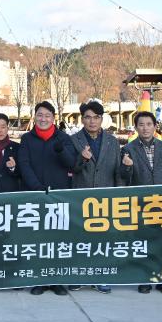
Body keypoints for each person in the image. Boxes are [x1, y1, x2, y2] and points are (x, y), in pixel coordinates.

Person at [18, 101, 76, 297]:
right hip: (35, 195)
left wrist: (61, 150)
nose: (43, 119)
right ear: (35, 117)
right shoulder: (27, 139)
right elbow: (24, 165)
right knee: (37, 239)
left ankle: (57, 279)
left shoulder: (64, 138)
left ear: (53, 118)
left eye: (47, 115)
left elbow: (72, 165)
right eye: (40, 115)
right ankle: (39, 279)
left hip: (58, 196)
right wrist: (37, 188)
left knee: (58, 239)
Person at [120, 111, 162, 295]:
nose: (145, 128)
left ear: (155, 127)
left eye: (149, 124)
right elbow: (124, 178)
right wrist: (127, 167)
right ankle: (145, 278)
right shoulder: (128, 149)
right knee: (143, 242)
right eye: (141, 124)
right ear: (136, 127)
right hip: (141, 204)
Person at [70, 100, 126, 294]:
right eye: (88, 117)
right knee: (80, 238)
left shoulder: (112, 141)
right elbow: (72, 169)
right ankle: (79, 276)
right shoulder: (74, 140)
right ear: (82, 119)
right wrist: (82, 159)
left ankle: (101, 275)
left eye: (96, 117)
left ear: (102, 119)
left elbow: (118, 170)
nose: (92, 121)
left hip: (106, 197)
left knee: (103, 240)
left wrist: (118, 193)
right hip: (81, 196)